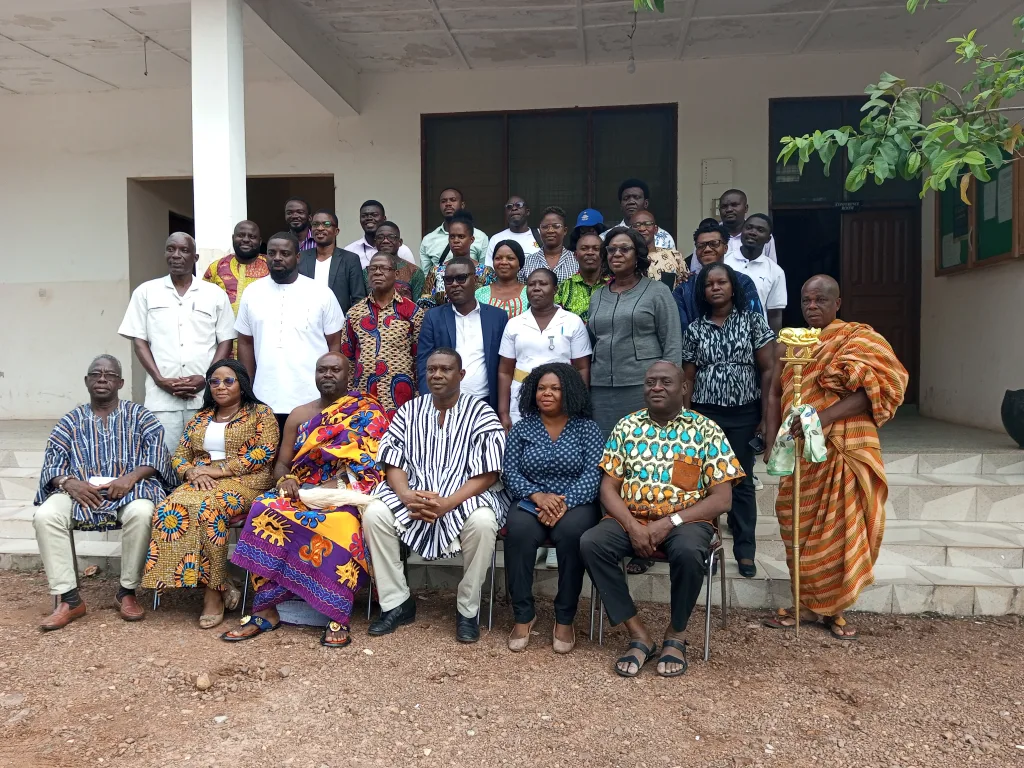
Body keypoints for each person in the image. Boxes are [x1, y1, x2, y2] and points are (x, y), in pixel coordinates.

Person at [763, 275, 907, 640]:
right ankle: (805, 605)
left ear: (837, 303)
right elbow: (774, 393)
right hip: (799, 450)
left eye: (820, 300)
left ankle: (834, 609)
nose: (812, 306)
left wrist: (822, 417)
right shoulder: (789, 344)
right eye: (806, 300)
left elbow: (877, 390)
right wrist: (771, 439)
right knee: (796, 522)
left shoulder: (858, 339)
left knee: (842, 527)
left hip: (845, 445)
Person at [581, 362, 743, 677]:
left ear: (683, 388)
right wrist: (632, 526)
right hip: (631, 517)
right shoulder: (626, 426)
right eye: (650, 382)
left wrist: (669, 523)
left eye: (666, 382)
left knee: (688, 551)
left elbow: (722, 499)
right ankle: (638, 634)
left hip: (687, 521)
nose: (656, 387)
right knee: (592, 543)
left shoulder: (706, 430)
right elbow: (608, 489)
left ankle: (676, 634)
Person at [224, 352, 390, 647]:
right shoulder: (299, 414)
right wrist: (285, 479)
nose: (328, 374)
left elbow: (373, 466)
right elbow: (282, 463)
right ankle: (265, 610)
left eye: (335, 369)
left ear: (349, 375)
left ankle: (335, 613)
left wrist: (331, 487)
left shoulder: (368, 411)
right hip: (300, 491)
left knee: (342, 524)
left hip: (345, 493)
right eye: (322, 370)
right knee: (262, 509)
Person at [363, 348, 508, 643]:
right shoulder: (409, 411)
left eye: (445, 369)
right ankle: (396, 603)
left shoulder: (481, 413)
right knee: (375, 513)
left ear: (461, 374)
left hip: (463, 499)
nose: (437, 375)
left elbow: (490, 473)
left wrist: (448, 503)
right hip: (414, 496)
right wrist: (405, 495)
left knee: (483, 522)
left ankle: (467, 609)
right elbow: (392, 459)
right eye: (431, 369)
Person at [33, 355, 175, 630]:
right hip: (80, 495)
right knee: (46, 516)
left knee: (143, 512)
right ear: (86, 381)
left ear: (120, 383)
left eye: (109, 375)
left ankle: (126, 592)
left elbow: (158, 456)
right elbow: (52, 465)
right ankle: (70, 599)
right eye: (96, 374)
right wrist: (69, 482)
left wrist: (130, 478)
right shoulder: (70, 421)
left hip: (129, 492)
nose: (102, 379)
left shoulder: (141, 416)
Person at [141, 359, 279, 628]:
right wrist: (191, 472)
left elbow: (264, 452)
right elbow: (180, 455)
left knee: (209, 508)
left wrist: (219, 471)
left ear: (242, 384)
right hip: (201, 480)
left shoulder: (260, 413)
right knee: (168, 508)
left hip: (246, 481)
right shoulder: (200, 417)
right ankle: (218, 580)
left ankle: (213, 594)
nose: (221, 386)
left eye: (228, 381)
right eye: (214, 382)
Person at [501, 363, 603, 653]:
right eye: (541, 388)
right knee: (518, 532)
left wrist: (563, 502)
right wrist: (537, 496)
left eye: (555, 388)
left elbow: (594, 474)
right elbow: (510, 472)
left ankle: (565, 617)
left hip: (576, 501)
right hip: (531, 500)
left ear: (568, 391)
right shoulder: (523, 428)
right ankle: (523, 615)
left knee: (572, 535)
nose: (547, 393)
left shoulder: (587, 428)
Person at [682, 263, 774, 578]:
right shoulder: (694, 329)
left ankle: (745, 552)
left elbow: (768, 370)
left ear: (733, 287)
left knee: (742, 482)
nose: (716, 288)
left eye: (721, 282)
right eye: (709, 284)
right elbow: (688, 377)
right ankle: (707, 548)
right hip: (705, 415)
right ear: (703, 292)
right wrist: (687, 418)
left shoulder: (752, 321)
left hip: (745, 413)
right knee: (703, 483)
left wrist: (766, 417)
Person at [118, 232, 236, 451]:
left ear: (195, 257)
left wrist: (207, 378)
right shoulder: (146, 292)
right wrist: (160, 379)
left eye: (184, 250)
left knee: (206, 457)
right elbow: (139, 340)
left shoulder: (214, 294)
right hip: (161, 400)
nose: (176, 255)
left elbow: (225, 340)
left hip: (204, 397)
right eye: (171, 249)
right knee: (163, 459)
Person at [236, 232, 346, 431]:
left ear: (297, 257)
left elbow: (335, 343)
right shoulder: (252, 293)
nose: (277, 258)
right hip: (264, 396)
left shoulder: (321, 293)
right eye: (272, 253)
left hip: (312, 397)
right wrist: (247, 388)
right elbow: (245, 341)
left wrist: (331, 390)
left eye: (285, 253)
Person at [588, 226, 682, 436]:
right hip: (601, 389)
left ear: (637, 255)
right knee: (606, 447)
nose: (617, 254)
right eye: (611, 250)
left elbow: (672, 342)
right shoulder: (598, 296)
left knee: (644, 444)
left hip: (644, 386)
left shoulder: (658, 292)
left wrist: (669, 385)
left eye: (624, 249)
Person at [497, 268, 591, 429]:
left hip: (561, 398)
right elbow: (505, 371)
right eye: (531, 284)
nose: (536, 288)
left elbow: (582, 368)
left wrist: (579, 405)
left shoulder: (572, 322)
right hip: (521, 399)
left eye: (543, 284)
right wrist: (503, 412)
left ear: (555, 289)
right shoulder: (514, 324)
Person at [417, 256, 507, 411]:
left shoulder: (497, 317)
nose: (454, 284)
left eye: (461, 278)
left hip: (485, 403)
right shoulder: (433, 317)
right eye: (449, 280)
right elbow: (424, 363)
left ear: (475, 280)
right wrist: (429, 403)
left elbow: (504, 365)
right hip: (445, 403)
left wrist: (503, 409)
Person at [343, 252, 423, 418]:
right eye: (373, 269)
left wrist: (418, 397)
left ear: (396, 273)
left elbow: (419, 359)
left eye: (383, 268)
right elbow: (348, 359)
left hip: (402, 399)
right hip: (364, 400)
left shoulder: (413, 312)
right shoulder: (354, 313)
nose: (377, 272)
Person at [674, 220, 763, 331]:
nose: (707, 249)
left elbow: (757, 327)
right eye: (701, 246)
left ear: (725, 248)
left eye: (714, 244)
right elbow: (680, 331)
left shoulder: (742, 282)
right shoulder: (684, 288)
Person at [688, 189, 780, 273]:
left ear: (746, 208)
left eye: (734, 205)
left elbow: (771, 269)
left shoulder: (761, 236)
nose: (729, 210)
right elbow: (696, 271)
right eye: (724, 206)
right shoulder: (707, 236)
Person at [725, 214, 787, 334]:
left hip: (758, 338)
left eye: (760, 230)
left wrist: (774, 342)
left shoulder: (775, 271)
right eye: (749, 228)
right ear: (742, 231)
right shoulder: (723, 262)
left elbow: (774, 314)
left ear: (768, 239)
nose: (753, 232)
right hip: (724, 335)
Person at [297, 209, 366, 315]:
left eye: (326, 224)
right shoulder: (301, 257)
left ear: (336, 231)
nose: (320, 228)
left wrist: (348, 322)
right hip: (306, 320)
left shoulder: (350, 259)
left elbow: (358, 299)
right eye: (315, 224)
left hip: (340, 322)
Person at [420, 212, 495, 308]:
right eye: (452, 237)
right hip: (443, 317)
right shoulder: (436, 271)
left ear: (471, 239)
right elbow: (425, 303)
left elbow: (493, 302)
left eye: (461, 236)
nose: (455, 240)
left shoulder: (486, 272)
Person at [203, 220, 268, 314]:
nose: (246, 240)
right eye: (241, 235)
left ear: (260, 241)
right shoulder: (216, 267)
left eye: (252, 237)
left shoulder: (271, 266)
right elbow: (203, 299)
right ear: (233, 238)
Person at [420, 188, 488, 269]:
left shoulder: (481, 237)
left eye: (453, 200)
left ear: (462, 205)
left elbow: (484, 271)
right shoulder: (428, 240)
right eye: (443, 201)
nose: (448, 204)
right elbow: (426, 274)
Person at [342, 199, 417, 268]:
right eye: (364, 216)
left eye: (374, 215)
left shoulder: (402, 250)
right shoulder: (350, 250)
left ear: (384, 219)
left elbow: (411, 273)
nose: (369, 218)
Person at [363, 221, 425, 302]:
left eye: (391, 237)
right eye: (380, 237)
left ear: (400, 242)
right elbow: (361, 302)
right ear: (375, 242)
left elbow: (419, 305)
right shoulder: (366, 272)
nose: (385, 241)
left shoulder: (414, 272)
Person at [554, 231, 608, 323]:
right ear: (575, 255)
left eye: (596, 249)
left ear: (603, 254)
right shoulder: (562, 288)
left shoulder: (614, 285)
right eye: (584, 248)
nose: (590, 252)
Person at [608, 179, 675, 249]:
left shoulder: (665, 239)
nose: (631, 202)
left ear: (646, 203)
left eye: (636, 197)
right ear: (621, 205)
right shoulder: (607, 237)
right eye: (626, 198)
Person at [518, 206, 578, 283]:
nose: (550, 231)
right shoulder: (527, 262)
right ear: (540, 230)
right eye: (545, 227)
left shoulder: (577, 260)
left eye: (556, 226)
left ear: (565, 230)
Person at [630, 210, 687, 289]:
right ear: (630, 230)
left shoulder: (674, 256)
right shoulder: (626, 258)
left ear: (655, 229)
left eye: (648, 224)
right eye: (636, 225)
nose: (642, 228)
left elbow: (686, 284)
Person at [476, 240, 528, 317]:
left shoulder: (529, 293)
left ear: (519, 264)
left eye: (510, 258)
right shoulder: (479, 294)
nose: (503, 262)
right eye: (498, 258)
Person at [485, 196, 541, 267]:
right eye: (509, 206)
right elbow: (490, 269)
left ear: (527, 212)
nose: (514, 208)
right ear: (506, 214)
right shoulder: (496, 239)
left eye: (519, 205)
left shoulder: (541, 235)